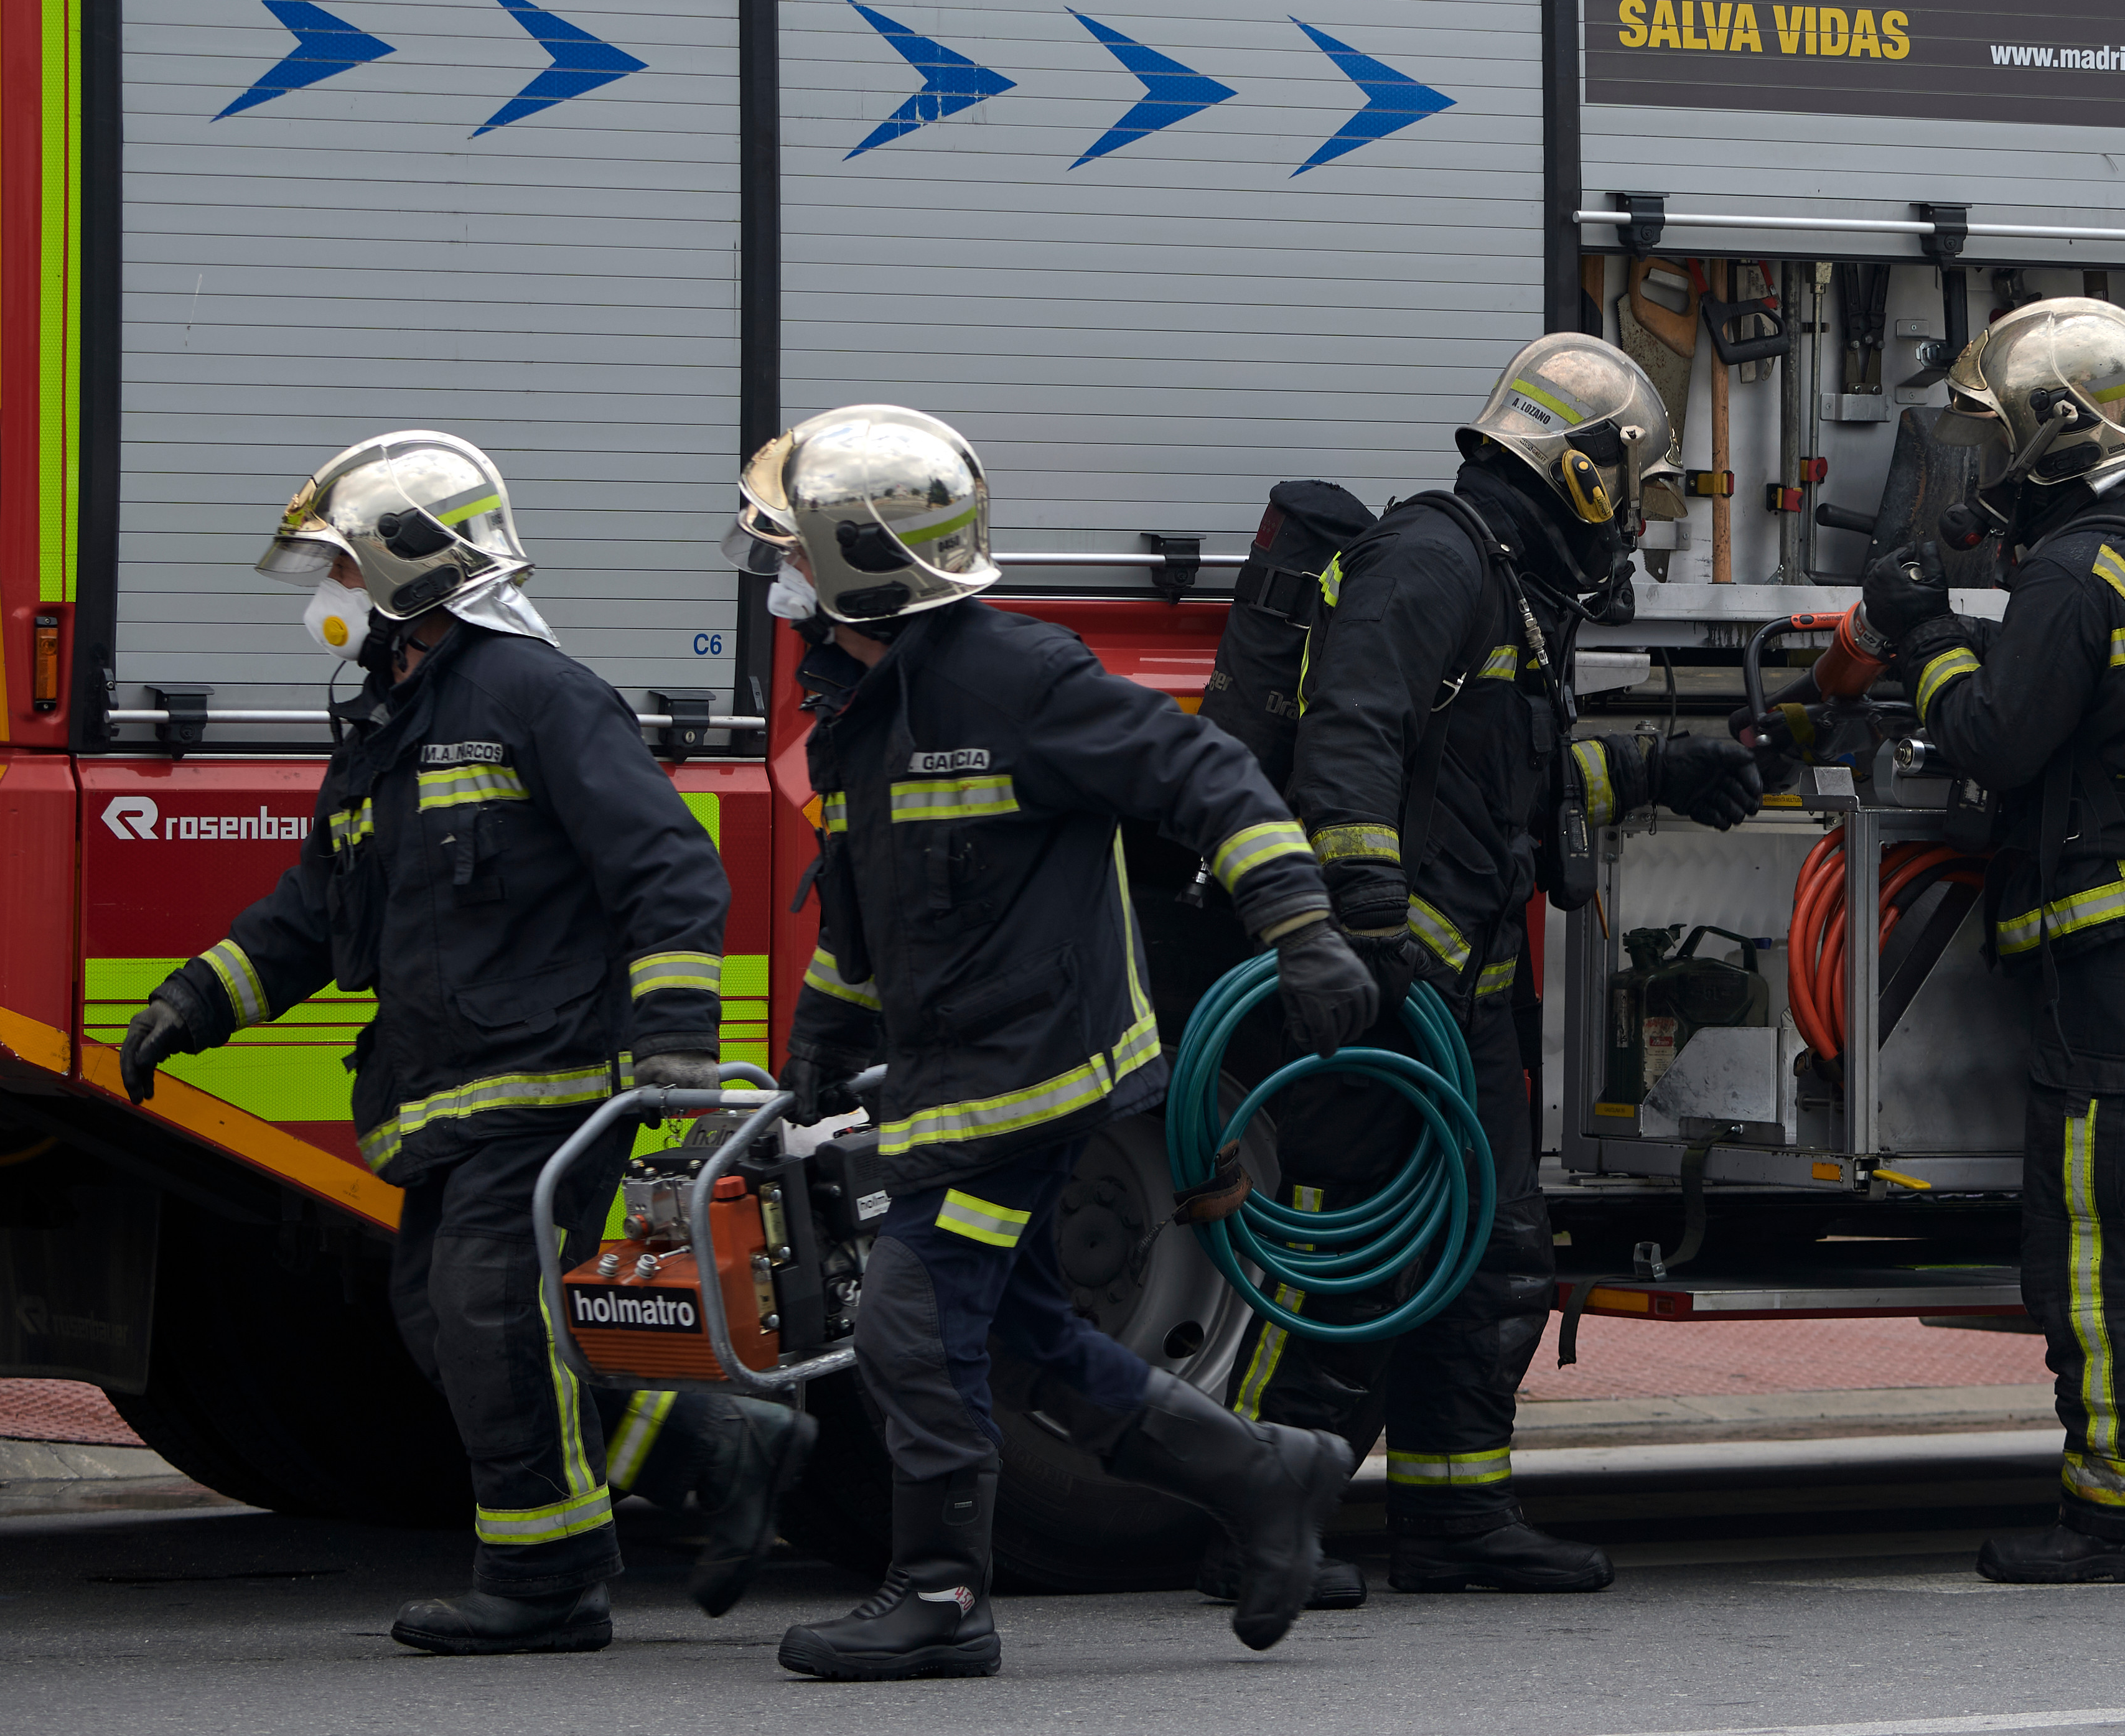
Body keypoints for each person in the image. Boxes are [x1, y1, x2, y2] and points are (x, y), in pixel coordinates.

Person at [114, 432, 815, 1653]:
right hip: (443, 1092)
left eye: (344, 567)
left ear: (409, 565)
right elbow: (313, 912)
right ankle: (718, 1443)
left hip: (547, 1079)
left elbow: (670, 870)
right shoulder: (388, 722)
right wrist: (194, 1003)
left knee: (490, 1310)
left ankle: (545, 1582)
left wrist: (675, 1051)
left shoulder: (539, 696)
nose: (330, 597)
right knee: (450, 1326)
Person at [743, 405, 1374, 1682]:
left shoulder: (1018, 676)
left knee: (908, 1327)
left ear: (866, 559)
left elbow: (1208, 779)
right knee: (1022, 1332)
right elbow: (873, 902)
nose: (784, 573)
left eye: (800, 548)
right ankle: (1266, 1478)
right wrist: (827, 1016)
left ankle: (938, 1592)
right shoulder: (866, 706)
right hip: (947, 1075)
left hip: (1032, 1077)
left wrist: (1299, 924)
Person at [1241, 334, 1765, 1600]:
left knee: (1479, 1258)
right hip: (1393, 992)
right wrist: (1366, 919)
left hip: (1450, 990)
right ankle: (1256, 1522)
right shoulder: (1433, 560)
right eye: (1628, 495)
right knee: (1357, 1263)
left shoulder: (1501, 577)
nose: (1630, 531)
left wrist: (1654, 770)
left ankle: (1453, 1516)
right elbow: (1348, 736)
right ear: (1582, 476)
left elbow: (1496, 778)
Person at [1862, 300, 2125, 1586]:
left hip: (2117, 968)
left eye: (1993, 427)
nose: (1979, 453)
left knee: (2103, 1245)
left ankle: (2123, 1516)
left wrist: (1922, 633)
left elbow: (1993, 737)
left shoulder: (2070, 571)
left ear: (2053, 430)